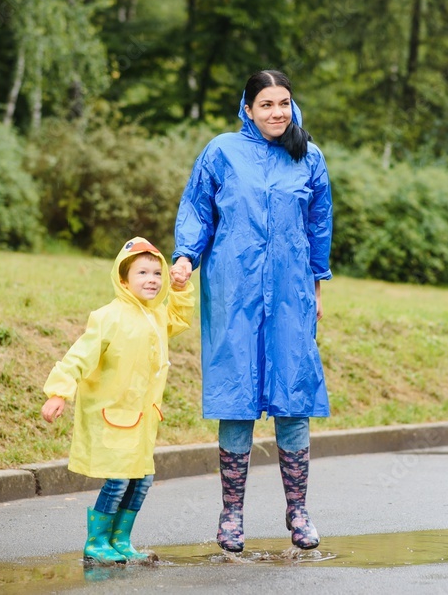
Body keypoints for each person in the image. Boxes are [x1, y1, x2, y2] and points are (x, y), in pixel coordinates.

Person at [171, 69, 333, 553]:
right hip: (233, 288)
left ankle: (299, 509)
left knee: (293, 395)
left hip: (290, 289)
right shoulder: (221, 152)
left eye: (284, 102)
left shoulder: (309, 156)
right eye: (266, 104)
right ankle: (231, 515)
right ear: (247, 109)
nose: (277, 112)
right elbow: (199, 209)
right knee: (236, 394)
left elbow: (319, 223)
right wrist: (185, 255)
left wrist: (317, 283)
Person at [41, 237, 194, 565]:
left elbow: (179, 320)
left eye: (157, 273)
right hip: (112, 414)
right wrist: (59, 391)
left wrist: (180, 291)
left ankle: (120, 539)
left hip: (143, 417)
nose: (152, 279)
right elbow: (78, 356)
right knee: (119, 477)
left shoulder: (156, 316)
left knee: (142, 478)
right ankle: (96, 542)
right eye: (142, 273)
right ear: (123, 280)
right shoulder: (108, 317)